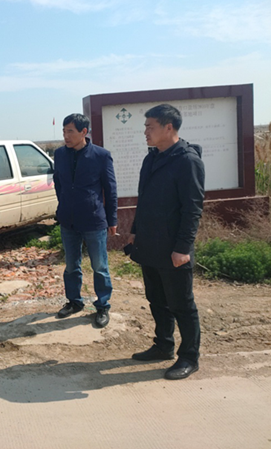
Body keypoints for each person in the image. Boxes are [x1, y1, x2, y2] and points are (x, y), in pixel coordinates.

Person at [128, 104, 205, 380]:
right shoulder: (151, 158)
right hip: (150, 244)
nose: (145, 132)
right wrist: (135, 231)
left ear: (168, 127)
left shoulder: (187, 161)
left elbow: (192, 208)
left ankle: (189, 357)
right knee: (157, 300)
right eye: (145, 127)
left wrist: (182, 248)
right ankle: (163, 345)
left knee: (181, 304)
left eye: (150, 127)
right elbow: (144, 199)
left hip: (173, 249)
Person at [53, 113, 118, 328]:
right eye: (64, 131)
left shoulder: (101, 155)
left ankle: (102, 305)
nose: (66, 136)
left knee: (99, 266)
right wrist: (63, 205)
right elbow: (58, 183)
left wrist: (112, 219)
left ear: (83, 132)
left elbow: (110, 189)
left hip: (93, 219)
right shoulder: (60, 154)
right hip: (68, 220)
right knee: (72, 265)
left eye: (70, 131)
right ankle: (74, 302)